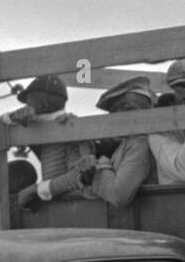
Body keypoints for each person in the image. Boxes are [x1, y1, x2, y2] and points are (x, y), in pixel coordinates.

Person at [25, 76, 154, 209]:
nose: (119, 115)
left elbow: (118, 195)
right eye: (114, 111)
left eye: (127, 109)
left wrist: (99, 165)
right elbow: (90, 190)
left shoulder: (139, 143)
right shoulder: (122, 144)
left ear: (149, 110)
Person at [0, 75, 82, 185]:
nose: (25, 107)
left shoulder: (69, 123)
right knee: (20, 169)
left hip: (63, 189)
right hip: (52, 189)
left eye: (29, 103)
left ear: (43, 106)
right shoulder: (35, 125)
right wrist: (12, 117)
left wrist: (12, 118)